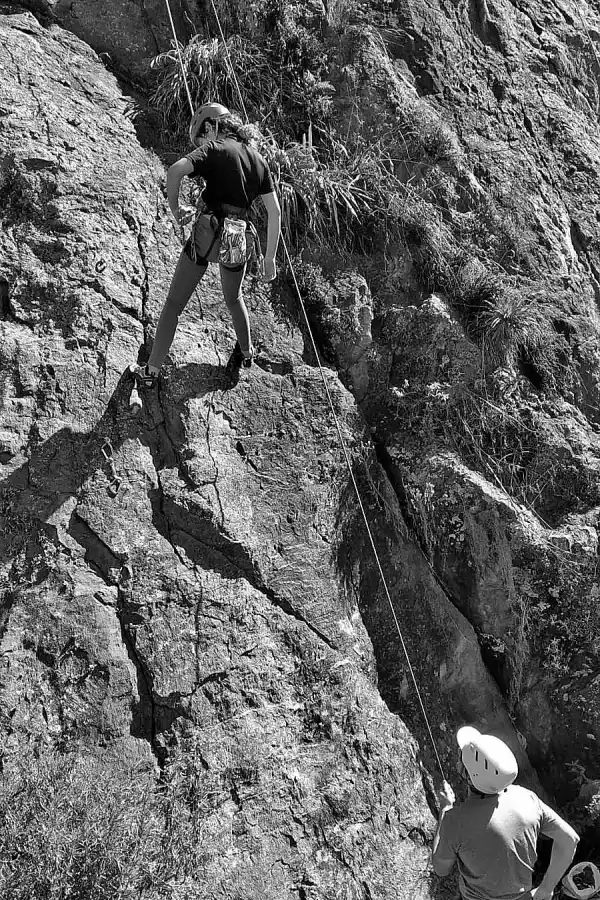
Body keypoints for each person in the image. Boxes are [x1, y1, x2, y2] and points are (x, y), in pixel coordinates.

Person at [136, 102, 281, 386]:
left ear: (212, 126)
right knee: (234, 298)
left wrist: (176, 209)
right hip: (237, 238)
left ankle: (152, 371)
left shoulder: (215, 149)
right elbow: (274, 212)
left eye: (202, 137)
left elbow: (175, 171)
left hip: (208, 232)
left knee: (175, 304)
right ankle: (247, 353)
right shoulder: (258, 159)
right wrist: (269, 258)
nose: (203, 143)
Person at [432, 726, 579, 900]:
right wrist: (546, 889)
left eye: (461, 757)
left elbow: (441, 869)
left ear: (468, 775)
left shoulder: (454, 820)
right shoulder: (527, 799)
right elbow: (570, 839)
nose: (458, 758)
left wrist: (445, 809)